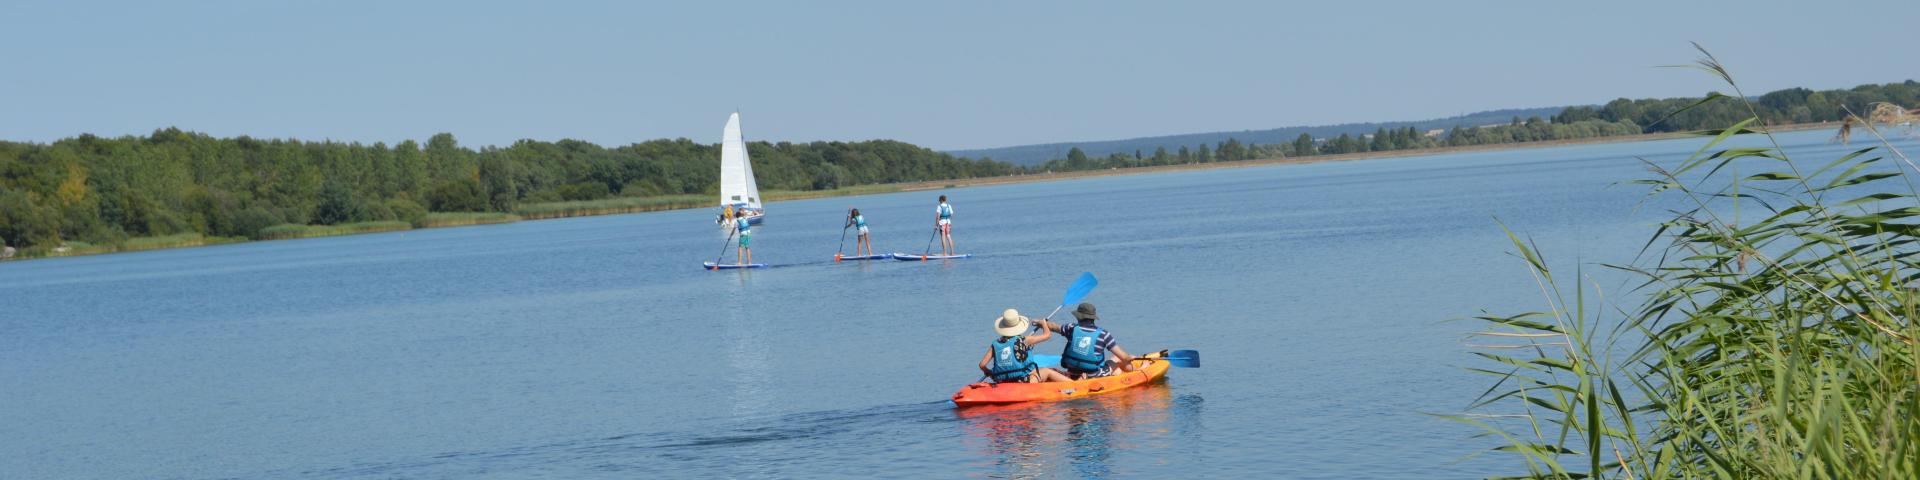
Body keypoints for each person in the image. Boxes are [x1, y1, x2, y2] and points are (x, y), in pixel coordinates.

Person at [1037, 302, 1134, 379]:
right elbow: (1124, 357)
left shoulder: (1071, 328)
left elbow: (1053, 326)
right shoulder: (1104, 334)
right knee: (1117, 360)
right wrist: (1130, 358)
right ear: (1093, 318)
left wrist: (1041, 323)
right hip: (1093, 375)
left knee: (1113, 362)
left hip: (1072, 371)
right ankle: (1136, 371)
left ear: (1078, 316)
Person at [979, 309, 1073, 384]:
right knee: (1046, 371)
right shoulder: (1025, 340)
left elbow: (982, 365)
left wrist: (989, 372)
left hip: (1002, 382)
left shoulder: (995, 344)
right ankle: (1074, 385)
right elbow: (1047, 335)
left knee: (1036, 370)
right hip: (1022, 381)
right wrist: (1043, 324)